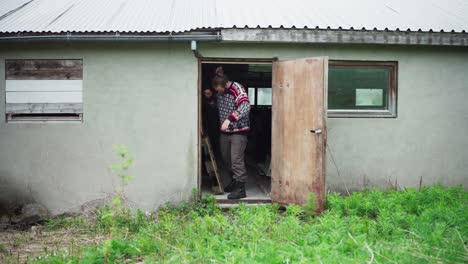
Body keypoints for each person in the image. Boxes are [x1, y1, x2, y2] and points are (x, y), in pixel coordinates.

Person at [212, 66, 251, 199]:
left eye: (219, 89)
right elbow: (218, 105)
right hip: (225, 132)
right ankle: (235, 182)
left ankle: (241, 189)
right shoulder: (220, 91)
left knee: (236, 159)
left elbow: (245, 106)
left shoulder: (237, 89)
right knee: (226, 158)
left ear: (225, 84)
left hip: (239, 132)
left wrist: (230, 118)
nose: (218, 92)